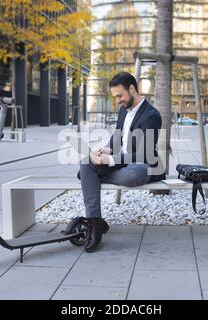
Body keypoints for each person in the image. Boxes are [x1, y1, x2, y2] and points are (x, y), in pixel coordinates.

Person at [78, 72, 166, 252]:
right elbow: (117, 141)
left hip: (142, 165)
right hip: (120, 161)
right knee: (86, 162)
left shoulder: (152, 115)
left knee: (130, 175)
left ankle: (91, 178)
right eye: (115, 97)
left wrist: (109, 160)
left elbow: (143, 154)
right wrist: (105, 150)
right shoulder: (123, 111)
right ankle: (95, 223)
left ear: (132, 89)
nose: (118, 100)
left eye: (120, 95)